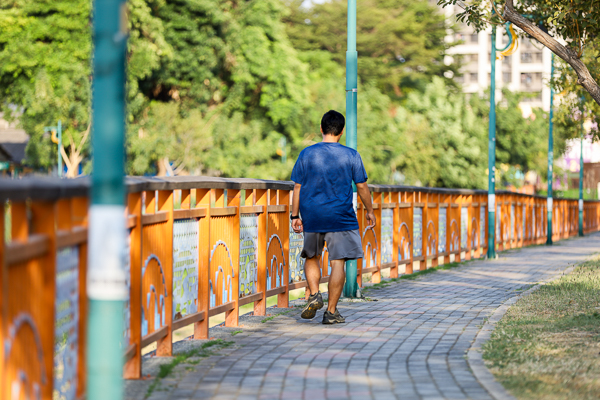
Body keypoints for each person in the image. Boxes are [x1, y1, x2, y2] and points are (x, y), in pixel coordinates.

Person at [290, 110, 376, 324]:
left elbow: (297, 187)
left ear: (321, 128)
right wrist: (370, 211)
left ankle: (313, 294)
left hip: (312, 214)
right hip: (341, 216)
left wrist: (295, 215)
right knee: (338, 261)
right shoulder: (351, 155)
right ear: (342, 131)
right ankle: (331, 312)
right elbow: (362, 186)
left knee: (312, 256)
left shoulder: (307, 154)